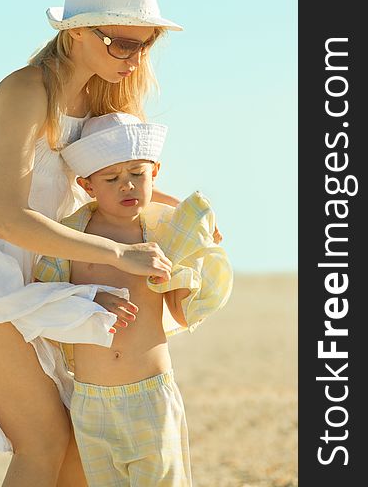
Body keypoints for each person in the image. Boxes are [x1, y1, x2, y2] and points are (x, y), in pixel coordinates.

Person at [0, 0, 184, 487]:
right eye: (121, 43)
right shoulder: (25, 92)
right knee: (42, 440)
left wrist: (184, 218)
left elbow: (118, 183)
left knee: (80, 447)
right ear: (76, 32)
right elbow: (9, 219)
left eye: (145, 43)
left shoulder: (105, 94)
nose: (135, 57)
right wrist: (117, 255)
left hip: (42, 274)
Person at [24, 112, 233, 486]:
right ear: (88, 185)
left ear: (154, 172)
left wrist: (178, 279)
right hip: (91, 400)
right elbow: (44, 300)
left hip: (150, 396)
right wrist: (90, 299)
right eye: (112, 178)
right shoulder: (71, 236)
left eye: (137, 173)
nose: (127, 186)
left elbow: (181, 315)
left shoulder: (160, 234)